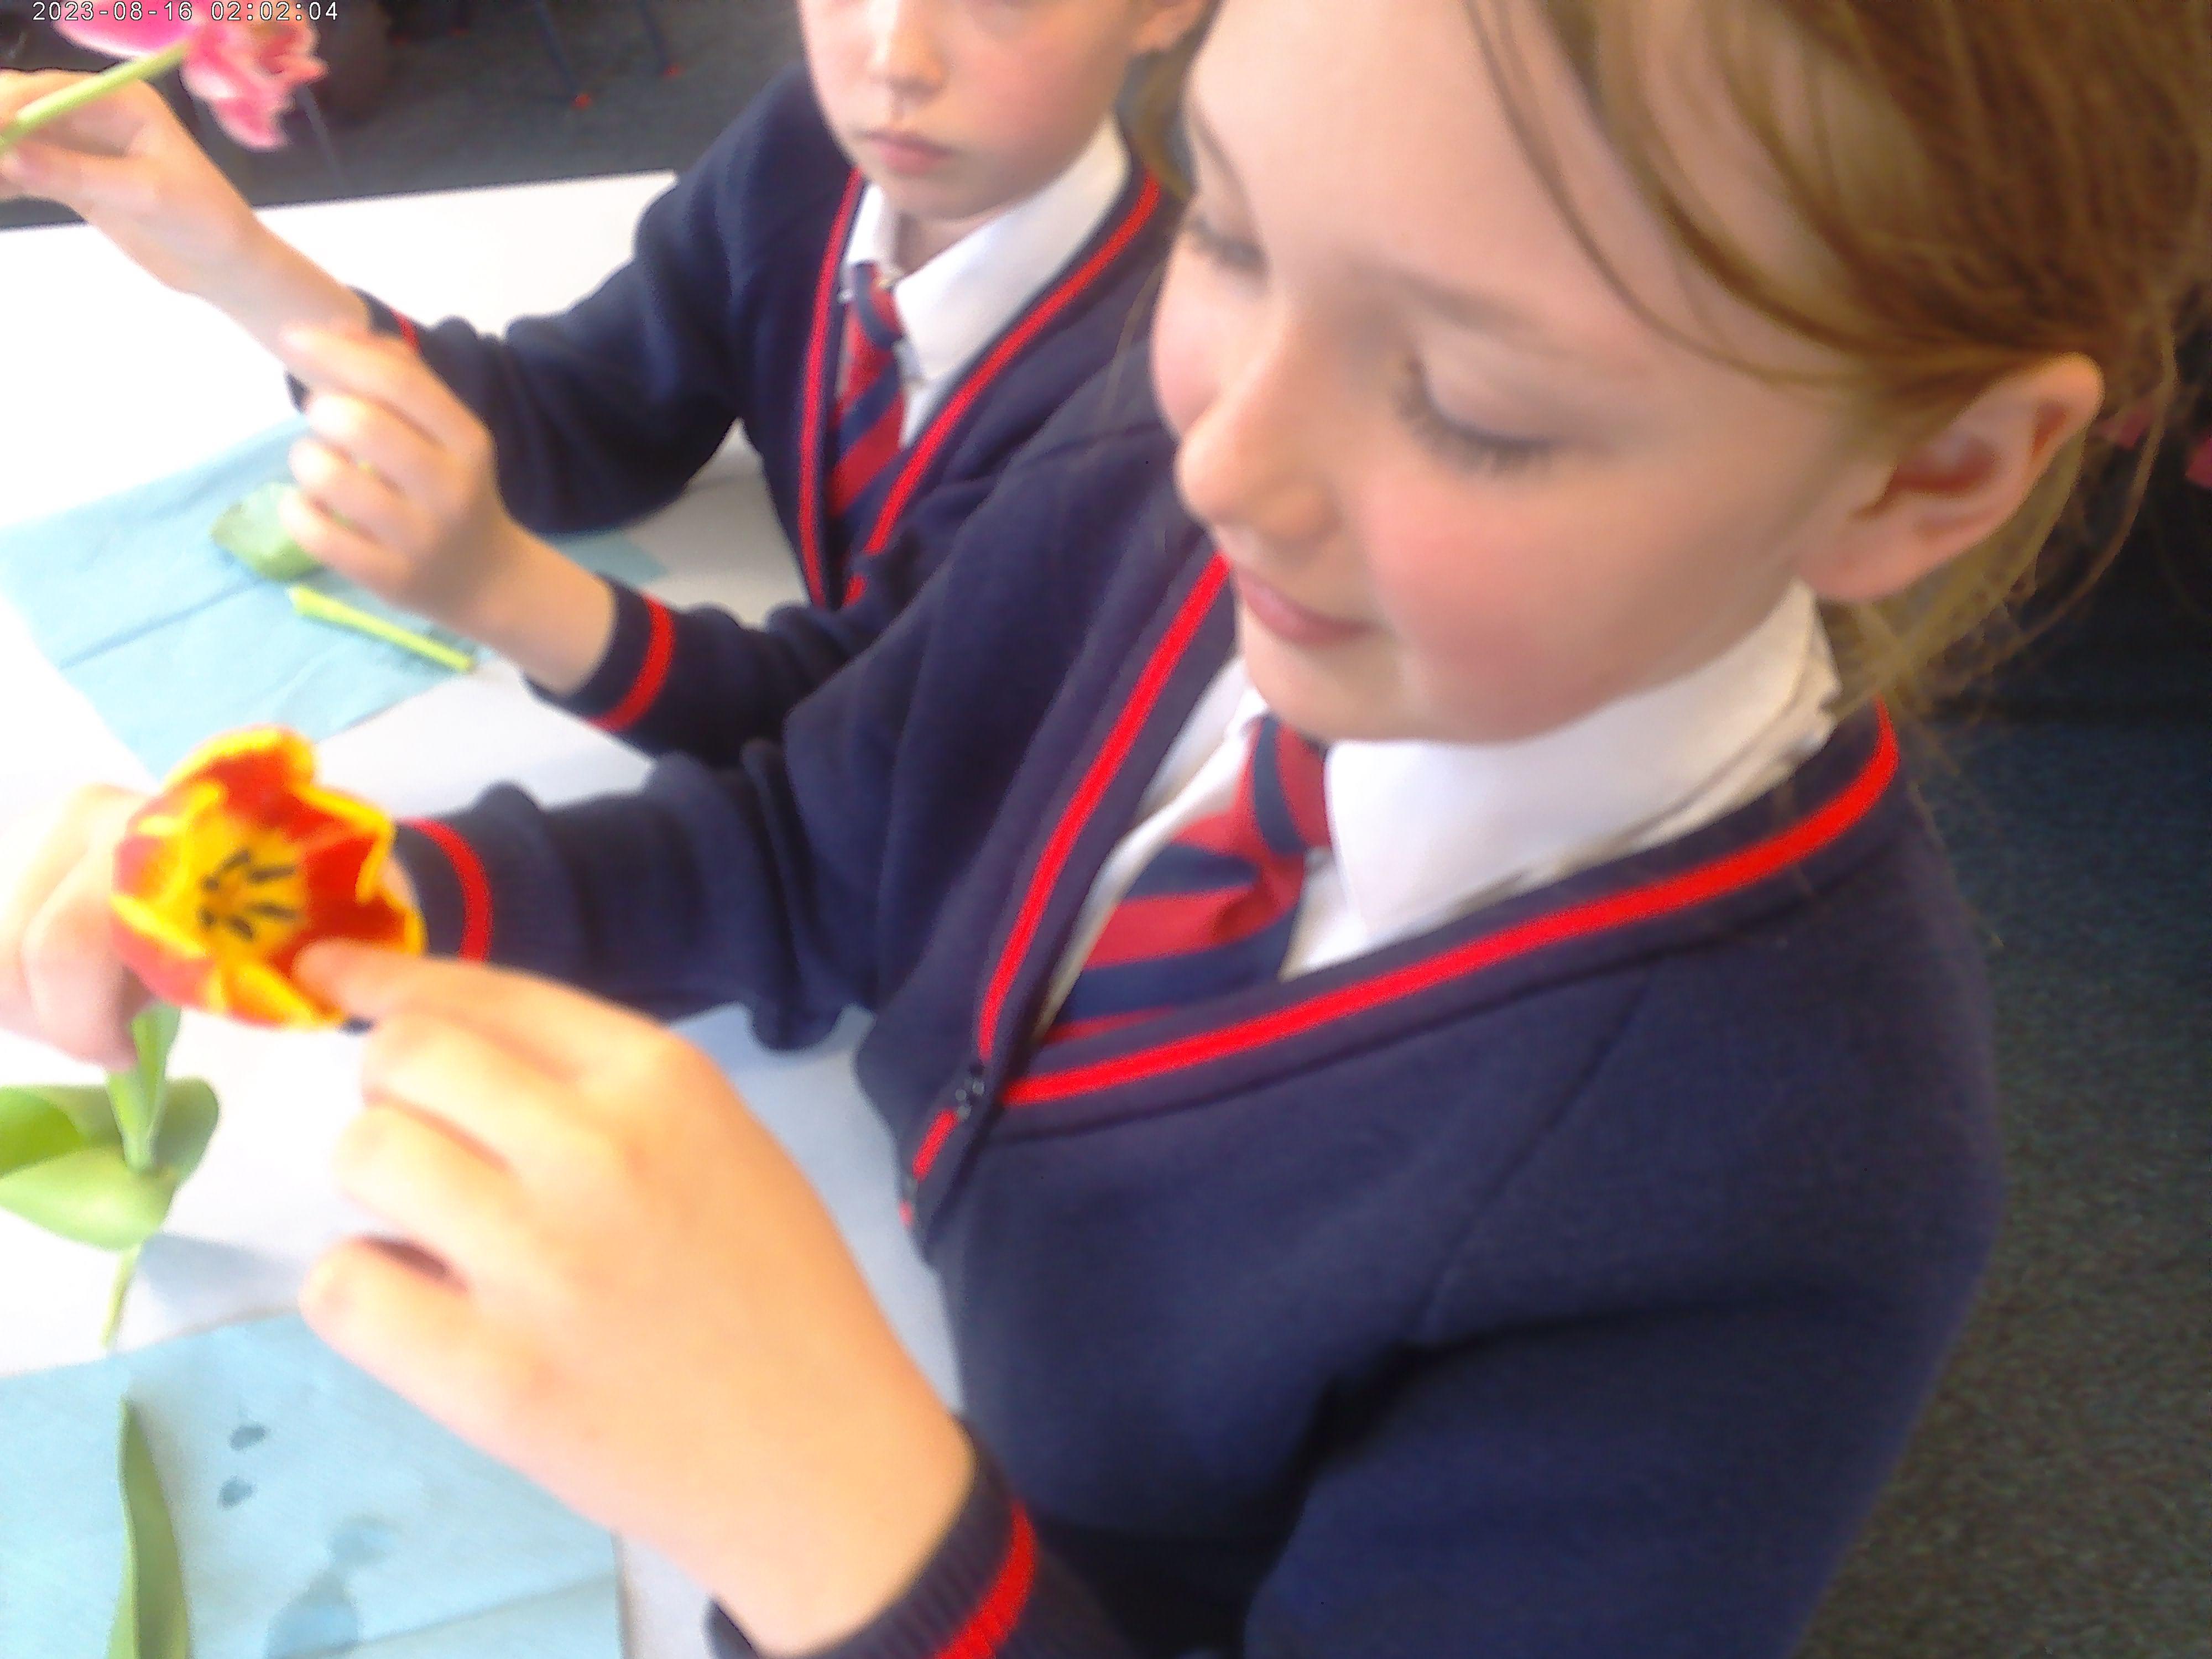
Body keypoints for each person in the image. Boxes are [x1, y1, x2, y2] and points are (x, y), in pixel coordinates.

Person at [4, 0, 2208, 1653]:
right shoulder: (1144, 485)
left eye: (1474, 403)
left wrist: (843, 1519)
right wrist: (353, 895)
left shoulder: (1785, 1193)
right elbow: (810, 845)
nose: (1224, 458)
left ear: (1923, 473)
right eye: (1227, 232)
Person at [0, 0, 1212, 761]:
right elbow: (588, 417)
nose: (894, 58)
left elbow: (871, 743)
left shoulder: (1162, 393)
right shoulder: (808, 149)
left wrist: (501, 588)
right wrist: (236, 262)